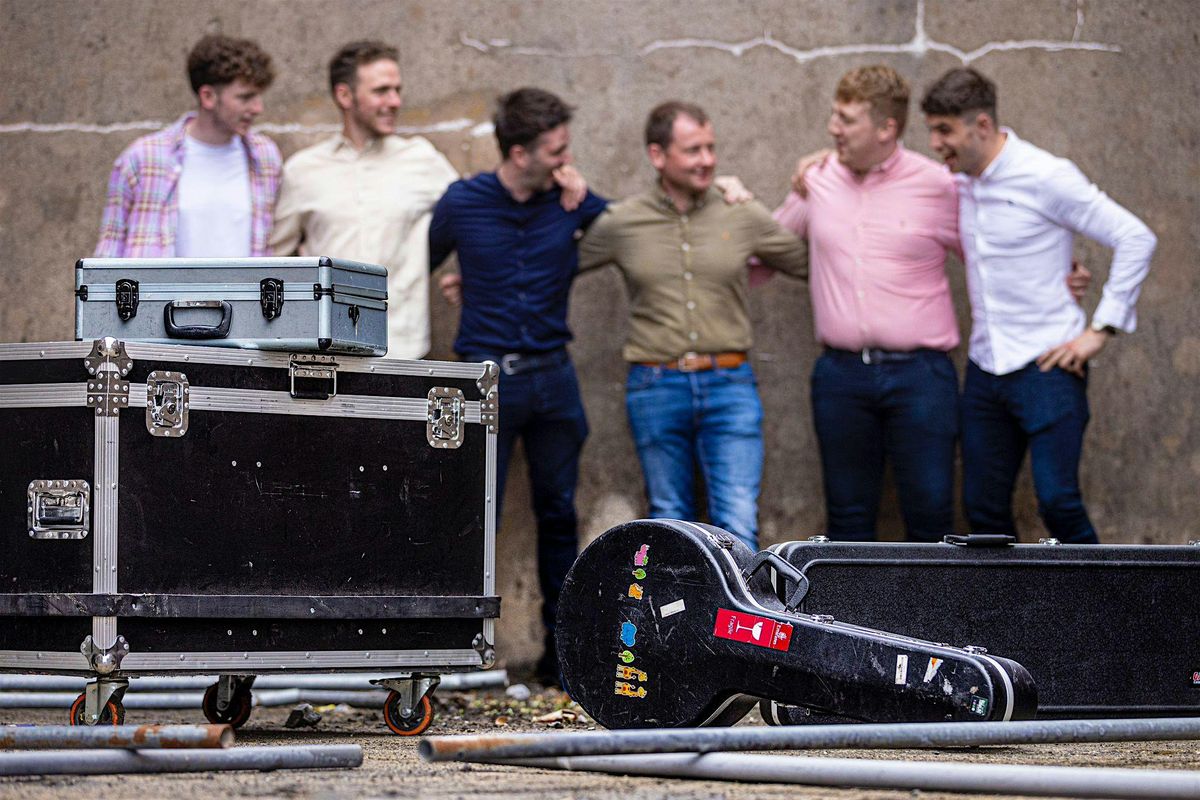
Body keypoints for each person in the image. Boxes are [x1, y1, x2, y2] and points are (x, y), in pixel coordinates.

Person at [921, 67, 1156, 542]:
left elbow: (1135, 237)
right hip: (986, 370)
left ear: (981, 126)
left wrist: (1101, 329)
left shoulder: (1047, 175)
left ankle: (1104, 612)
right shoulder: (960, 178)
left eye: (944, 130)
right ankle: (1012, 616)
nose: (934, 143)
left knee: (1058, 501)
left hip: (1048, 365)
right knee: (983, 511)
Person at [428, 88, 606, 683]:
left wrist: (582, 203)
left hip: (556, 377)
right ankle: (457, 654)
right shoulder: (463, 202)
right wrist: (461, 282)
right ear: (520, 151)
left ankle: (564, 655)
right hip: (487, 379)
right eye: (555, 150)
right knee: (476, 515)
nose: (565, 158)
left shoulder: (573, 201)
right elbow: (412, 265)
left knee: (559, 512)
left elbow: (640, 232)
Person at [577, 101, 809, 551]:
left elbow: (813, 260)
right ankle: (680, 623)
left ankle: (734, 622)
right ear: (658, 155)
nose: (707, 160)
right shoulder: (623, 222)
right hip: (655, 386)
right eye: (693, 150)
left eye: (711, 148)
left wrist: (820, 184)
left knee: (738, 520)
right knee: (669, 523)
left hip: (730, 384)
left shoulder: (740, 212)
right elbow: (553, 264)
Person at [770, 66, 963, 543]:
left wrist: (1066, 276)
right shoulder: (816, 179)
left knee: (931, 515)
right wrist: (728, 203)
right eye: (834, 116)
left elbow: (991, 255)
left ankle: (934, 620)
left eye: (846, 119)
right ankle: (846, 619)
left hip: (921, 376)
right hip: (841, 379)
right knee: (847, 520)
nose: (833, 128)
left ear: (886, 128)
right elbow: (762, 249)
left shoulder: (938, 184)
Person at [270, 41, 458, 359]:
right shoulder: (303, 170)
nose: (395, 101)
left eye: (397, 90)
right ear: (345, 96)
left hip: (402, 349)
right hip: (323, 352)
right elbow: (275, 259)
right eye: (381, 91)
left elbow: (477, 214)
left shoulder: (422, 160)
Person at [95, 34, 279, 258]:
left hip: (244, 293)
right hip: (162, 293)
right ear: (208, 96)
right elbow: (109, 250)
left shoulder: (265, 157)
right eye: (245, 97)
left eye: (258, 97)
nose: (258, 108)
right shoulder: (143, 158)